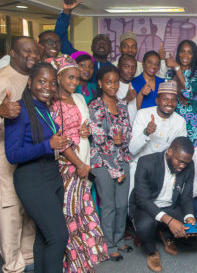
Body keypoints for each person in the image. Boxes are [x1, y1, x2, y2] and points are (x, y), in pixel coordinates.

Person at [5, 63, 69, 273]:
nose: (47, 87)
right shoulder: (18, 110)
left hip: (52, 174)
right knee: (58, 236)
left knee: (44, 236)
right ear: (30, 82)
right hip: (32, 178)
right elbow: (12, 155)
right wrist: (47, 145)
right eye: (42, 81)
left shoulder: (44, 108)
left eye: (52, 83)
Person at [48, 56, 109, 271]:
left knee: (84, 210)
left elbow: (88, 124)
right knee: (69, 213)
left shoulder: (80, 98)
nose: (74, 81)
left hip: (84, 158)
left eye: (76, 77)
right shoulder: (53, 104)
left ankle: (84, 258)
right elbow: (60, 140)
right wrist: (79, 165)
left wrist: (88, 130)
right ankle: (72, 262)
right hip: (67, 165)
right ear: (59, 77)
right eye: (70, 77)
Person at [130, 137, 197, 272]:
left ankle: (164, 233)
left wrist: (189, 218)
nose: (182, 166)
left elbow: (186, 197)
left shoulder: (188, 165)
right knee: (145, 227)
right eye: (179, 161)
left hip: (171, 207)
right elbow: (143, 200)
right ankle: (152, 251)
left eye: (185, 163)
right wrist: (170, 221)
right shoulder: (146, 162)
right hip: (148, 207)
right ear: (169, 152)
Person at [0, 37, 38, 273]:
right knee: (11, 209)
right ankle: (12, 265)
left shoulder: (35, 79)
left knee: (29, 205)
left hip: (30, 154)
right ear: (13, 53)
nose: (32, 56)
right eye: (26, 52)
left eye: (35, 52)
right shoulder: (3, 77)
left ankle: (28, 257)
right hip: (5, 157)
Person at [88, 64, 133, 262]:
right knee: (109, 205)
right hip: (102, 164)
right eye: (108, 81)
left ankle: (120, 238)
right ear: (100, 83)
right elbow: (99, 141)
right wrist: (116, 170)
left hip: (122, 159)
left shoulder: (122, 105)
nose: (113, 85)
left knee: (122, 204)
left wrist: (121, 139)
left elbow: (128, 133)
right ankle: (109, 245)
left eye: (116, 82)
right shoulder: (95, 107)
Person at [128, 80, 187, 197]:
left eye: (173, 100)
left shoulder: (180, 121)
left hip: (164, 171)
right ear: (157, 100)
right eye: (165, 99)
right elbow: (132, 150)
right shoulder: (143, 114)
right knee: (134, 206)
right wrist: (146, 133)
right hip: (139, 167)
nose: (169, 103)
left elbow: (179, 153)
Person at [55, 0, 112, 82]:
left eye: (105, 43)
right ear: (92, 47)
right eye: (98, 43)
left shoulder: (112, 69)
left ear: (110, 49)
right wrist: (66, 13)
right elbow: (60, 39)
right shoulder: (78, 58)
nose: (101, 45)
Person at [164, 40, 197, 147]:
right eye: (182, 51)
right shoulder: (170, 72)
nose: (185, 55)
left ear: (194, 55)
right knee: (175, 154)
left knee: (194, 156)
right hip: (174, 119)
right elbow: (168, 92)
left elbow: (188, 92)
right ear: (178, 53)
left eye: (189, 52)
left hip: (193, 123)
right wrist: (174, 69)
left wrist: (177, 68)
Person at [116, 54, 138, 124]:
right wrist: (126, 99)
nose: (130, 71)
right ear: (118, 67)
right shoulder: (113, 86)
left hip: (135, 130)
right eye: (126, 67)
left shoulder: (137, 85)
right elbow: (109, 111)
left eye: (133, 67)